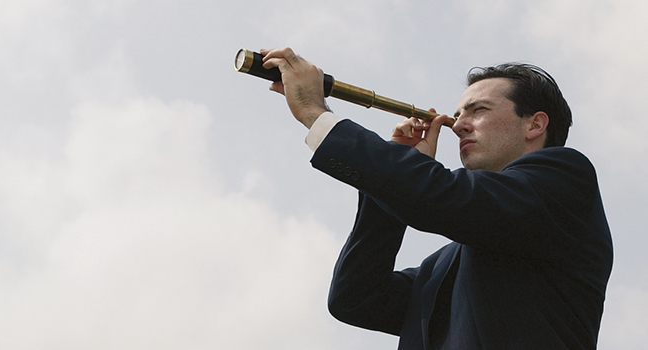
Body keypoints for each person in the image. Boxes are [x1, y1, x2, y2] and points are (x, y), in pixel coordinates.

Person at [261, 47, 613, 349]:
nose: (457, 125)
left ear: (534, 125)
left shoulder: (566, 178)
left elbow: (446, 197)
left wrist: (315, 113)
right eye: (459, 114)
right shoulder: (443, 266)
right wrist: (396, 174)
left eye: (478, 110)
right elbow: (356, 299)